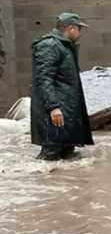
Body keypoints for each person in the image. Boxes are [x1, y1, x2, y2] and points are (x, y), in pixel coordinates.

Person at [30, 13, 94, 161]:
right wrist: (53, 107)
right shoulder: (50, 45)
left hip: (67, 112)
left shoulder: (65, 46)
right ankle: (42, 183)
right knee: (50, 156)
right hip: (56, 113)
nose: (80, 33)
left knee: (67, 156)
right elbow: (44, 79)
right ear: (71, 28)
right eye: (79, 29)